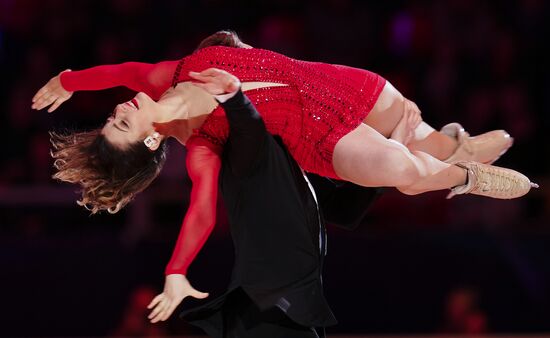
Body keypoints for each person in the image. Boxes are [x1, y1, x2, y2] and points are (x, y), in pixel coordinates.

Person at [154, 66, 347, 337]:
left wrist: (394, 145)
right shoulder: (239, 150)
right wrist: (234, 97)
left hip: (285, 308)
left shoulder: (287, 149)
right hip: (268, 309)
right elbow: (249, 128)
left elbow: (342, 203)